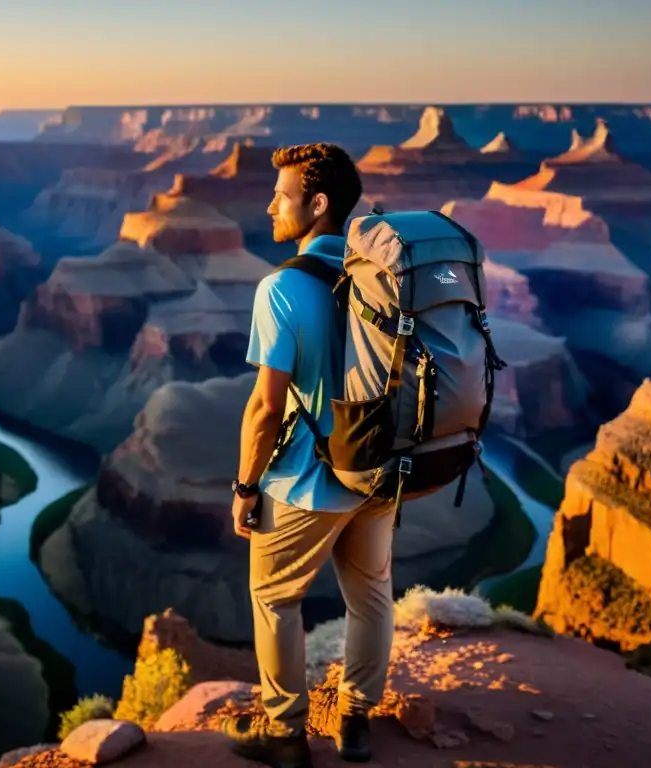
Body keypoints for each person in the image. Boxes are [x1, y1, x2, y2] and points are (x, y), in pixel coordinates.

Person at [221, 143, 395, 766]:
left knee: (275, 600)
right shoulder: (383, 275)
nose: (270, 205)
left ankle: (286, 735)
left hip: (307, 481)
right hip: (379, 473)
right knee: (371, 596)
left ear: (316, 205)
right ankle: (355, 724)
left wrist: (245, 488)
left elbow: (266, 408)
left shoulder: (281, 288)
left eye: (282, 195)